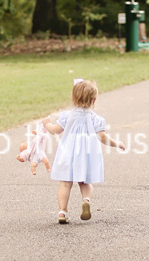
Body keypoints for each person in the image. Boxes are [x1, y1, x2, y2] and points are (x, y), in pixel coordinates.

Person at [43, 78, 125, 224]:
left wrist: (47, 123)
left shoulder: (66, 116)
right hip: (87, 155)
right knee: (84, 182)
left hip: (67, 153)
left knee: (65, 184)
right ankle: (86, 200)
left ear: (73, 98)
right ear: (94, 100)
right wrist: (117, 144)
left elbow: (55, 131)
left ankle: (62, 212)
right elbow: (103, 137)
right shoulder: (96, 119)